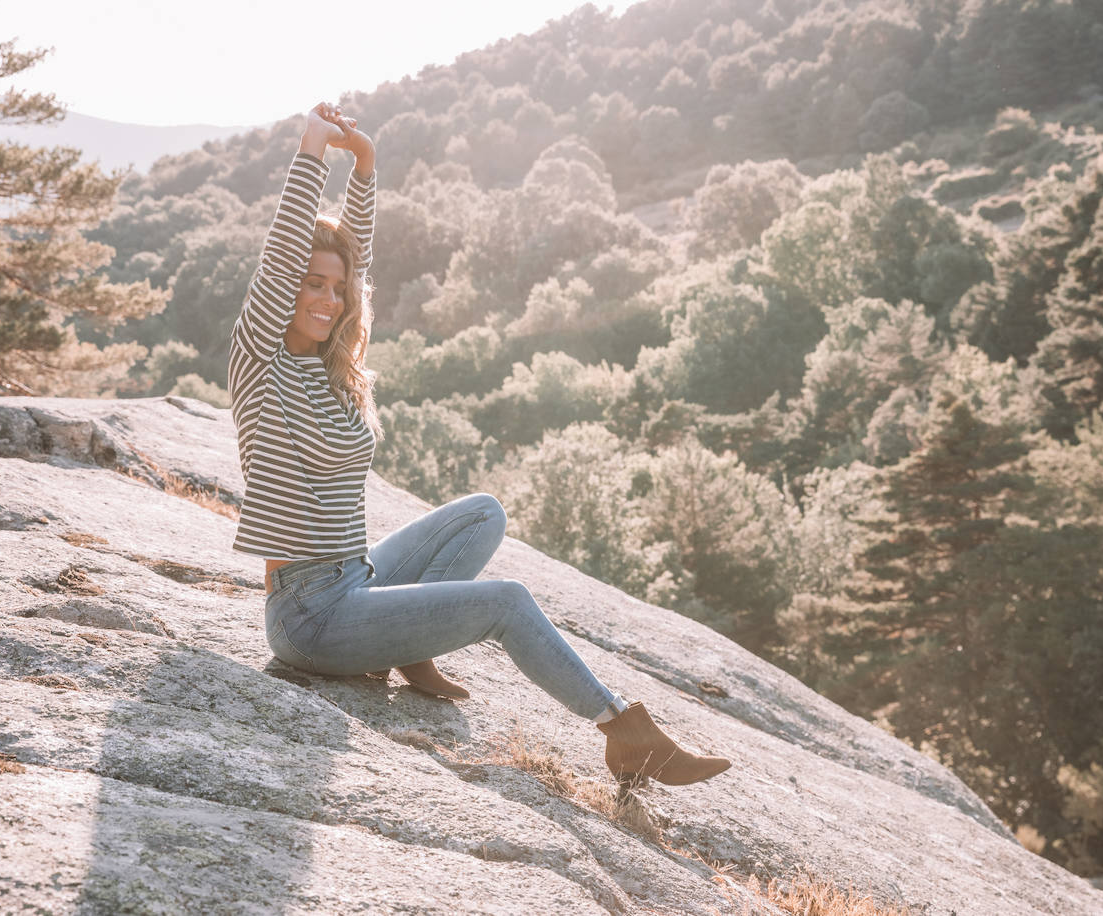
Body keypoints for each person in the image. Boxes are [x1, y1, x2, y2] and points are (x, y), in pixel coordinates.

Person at [228, 101, 730, 788]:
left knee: (482, 512)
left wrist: (365, 166)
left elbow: (355, 261)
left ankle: (409, 645)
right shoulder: (263, 359)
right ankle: (625, 732)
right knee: (505, 601)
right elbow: (286, 254)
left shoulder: (327, 366)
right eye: (311, 285)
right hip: (309, 617)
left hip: (354, 580)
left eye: (336, 289)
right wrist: (312, 149)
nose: (328, 298)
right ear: (284, 288)